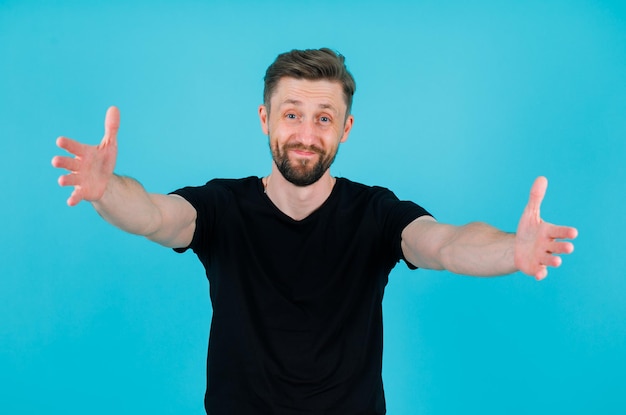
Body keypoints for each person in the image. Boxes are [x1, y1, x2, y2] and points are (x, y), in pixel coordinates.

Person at [52, 48, 577, 415]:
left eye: (324, 118)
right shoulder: (220, 206)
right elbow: (153, 215)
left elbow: (443, 243)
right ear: (265, 118)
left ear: (346, 128)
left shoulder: (376, 213)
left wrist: (512, 249)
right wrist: (106, 191)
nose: (306, 134)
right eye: (292, 114)